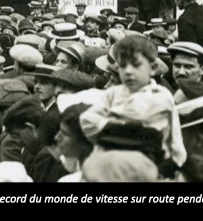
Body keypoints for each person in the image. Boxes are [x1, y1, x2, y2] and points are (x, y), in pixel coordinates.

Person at [79, 34, 186, 169]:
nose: (128, 71)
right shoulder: (113, 93)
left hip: (148, 163)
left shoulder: (160, 96)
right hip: (112, 160)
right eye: (123, 66)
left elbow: (174, 137)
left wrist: (176, 163)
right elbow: (87, 120)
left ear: (152, 68)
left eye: (136, 65)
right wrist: (111, 128)